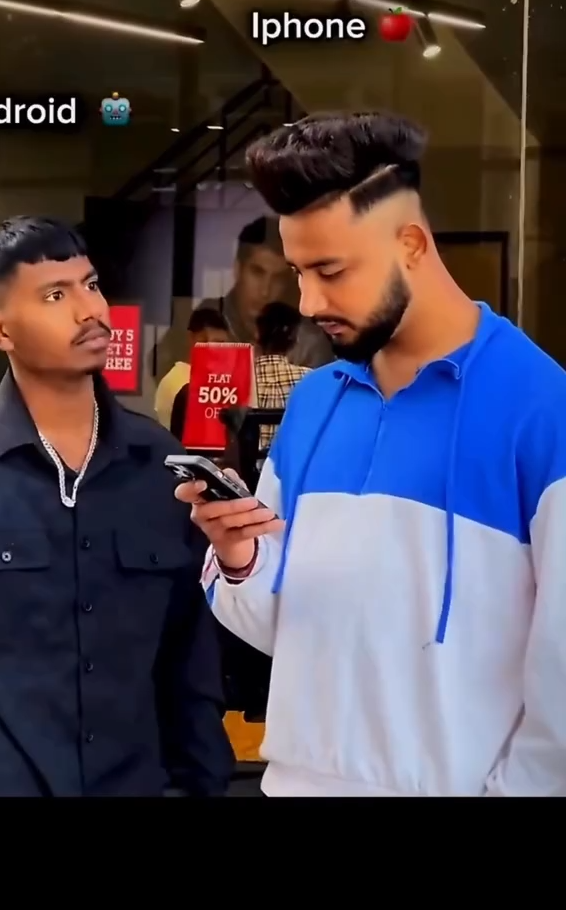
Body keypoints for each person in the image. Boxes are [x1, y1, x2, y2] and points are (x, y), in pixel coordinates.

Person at [175, 111, 566, 798]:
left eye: (330, 270)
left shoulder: (542, 406)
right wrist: (239, 559)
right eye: (299, 272)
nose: (307, 301)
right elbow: (279, 628)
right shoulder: (313, 402)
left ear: (410, 243)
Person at [0, 216, 234, 797]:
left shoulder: (161, 466)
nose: (89, 310)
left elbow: (189, 660)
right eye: (55, 295)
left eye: (91, 285)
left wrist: (200, 783)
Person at [153, 216, 332, 380]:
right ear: (238, 268)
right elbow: (162, 367)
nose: (265, 291)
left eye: (277, 279)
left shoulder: (307, 340)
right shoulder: (204, 320)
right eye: (257, 272)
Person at [154, 306, 229, 429]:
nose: (214, 351)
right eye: (205, 342)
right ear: (192, 338)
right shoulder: (176, 381)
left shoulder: (224, 379)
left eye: (221, 344)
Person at [253, 302, 310, 452]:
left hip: (244, 466)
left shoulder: (238, 380)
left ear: (257, 334)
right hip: (291, 466)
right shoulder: (311, 380)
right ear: (294, 338)